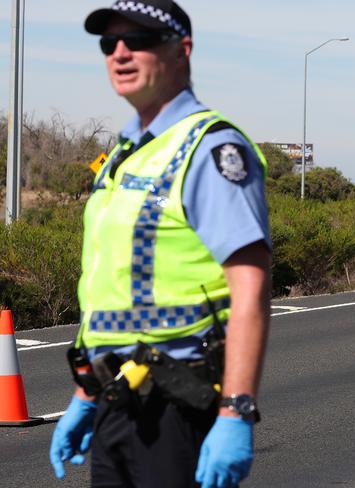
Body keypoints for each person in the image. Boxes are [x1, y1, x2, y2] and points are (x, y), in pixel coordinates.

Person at [49, 1, 271, 487]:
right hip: (114, 402)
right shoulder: (124, 155)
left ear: (181, 52)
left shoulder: (210, 148)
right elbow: (110, 285)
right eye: (110, 44)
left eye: (141, 40)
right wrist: (86, 395)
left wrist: (235, 411)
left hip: (179, 405)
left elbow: (250, 290)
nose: (121, 54)